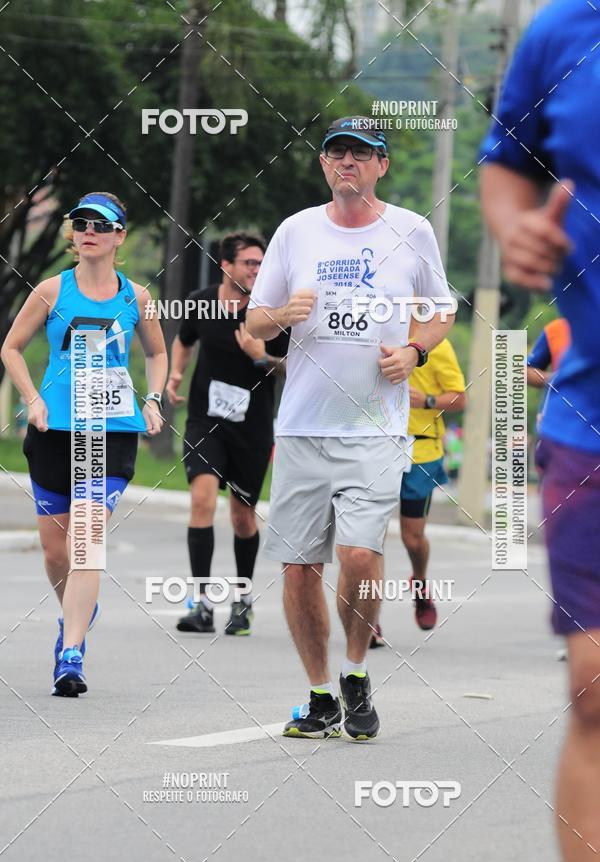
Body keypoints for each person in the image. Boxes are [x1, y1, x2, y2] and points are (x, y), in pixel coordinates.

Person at [246, 116, 455, 740]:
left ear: (381, 166)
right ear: (323, 164)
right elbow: (255, 323)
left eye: (362, 155)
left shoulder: (411, 230)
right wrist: (283, 313)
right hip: (304, 427)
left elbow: (442, 310)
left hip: (376, 428)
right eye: (338, 153)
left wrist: (415, 353)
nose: (348, 163)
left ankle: (357, 670)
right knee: (298, 566)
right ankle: (318, 694)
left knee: (360, 556)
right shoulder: (296, 231)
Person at [479, 2, 600, 862]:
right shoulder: (563, 31)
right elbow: (505, 167)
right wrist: (517, 226)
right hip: (591, 418)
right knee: (596, 693)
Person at [0, 192, 167, 697]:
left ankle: (71, 654)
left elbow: (157, 353)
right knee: (58, 552)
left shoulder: (138, 298)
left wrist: (154, 399)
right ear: (73, 234)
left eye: (101, 224)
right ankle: (73, 612)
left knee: (87, 541)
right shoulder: (51, 290)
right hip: (54, 431)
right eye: (80, 223)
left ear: (119, 235)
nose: (88, 230)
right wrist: (32, 398)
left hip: (111, 431)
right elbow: (10, 347)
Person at [166, 233, 288, 637]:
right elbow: (184, 341)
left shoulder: (269, 313)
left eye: (261, 263)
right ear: (227, 266)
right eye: (249, 263)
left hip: (252, 429)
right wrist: (176, 373)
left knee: (241, 515)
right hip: (206, 421)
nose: (256, 270)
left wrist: (260, 356)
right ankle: (201, 603)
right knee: (201, 499)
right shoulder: (202, 300)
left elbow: (289, 368)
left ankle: (242, 598)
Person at [370, 337, 466, 647]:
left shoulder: (438, 344)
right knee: (370, 537)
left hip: (420, 451)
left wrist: (426, 400)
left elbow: (460, 399)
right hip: (374, 447)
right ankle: (369, 617)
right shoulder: (374, 334)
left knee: (412, 537)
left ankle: (420, 584)